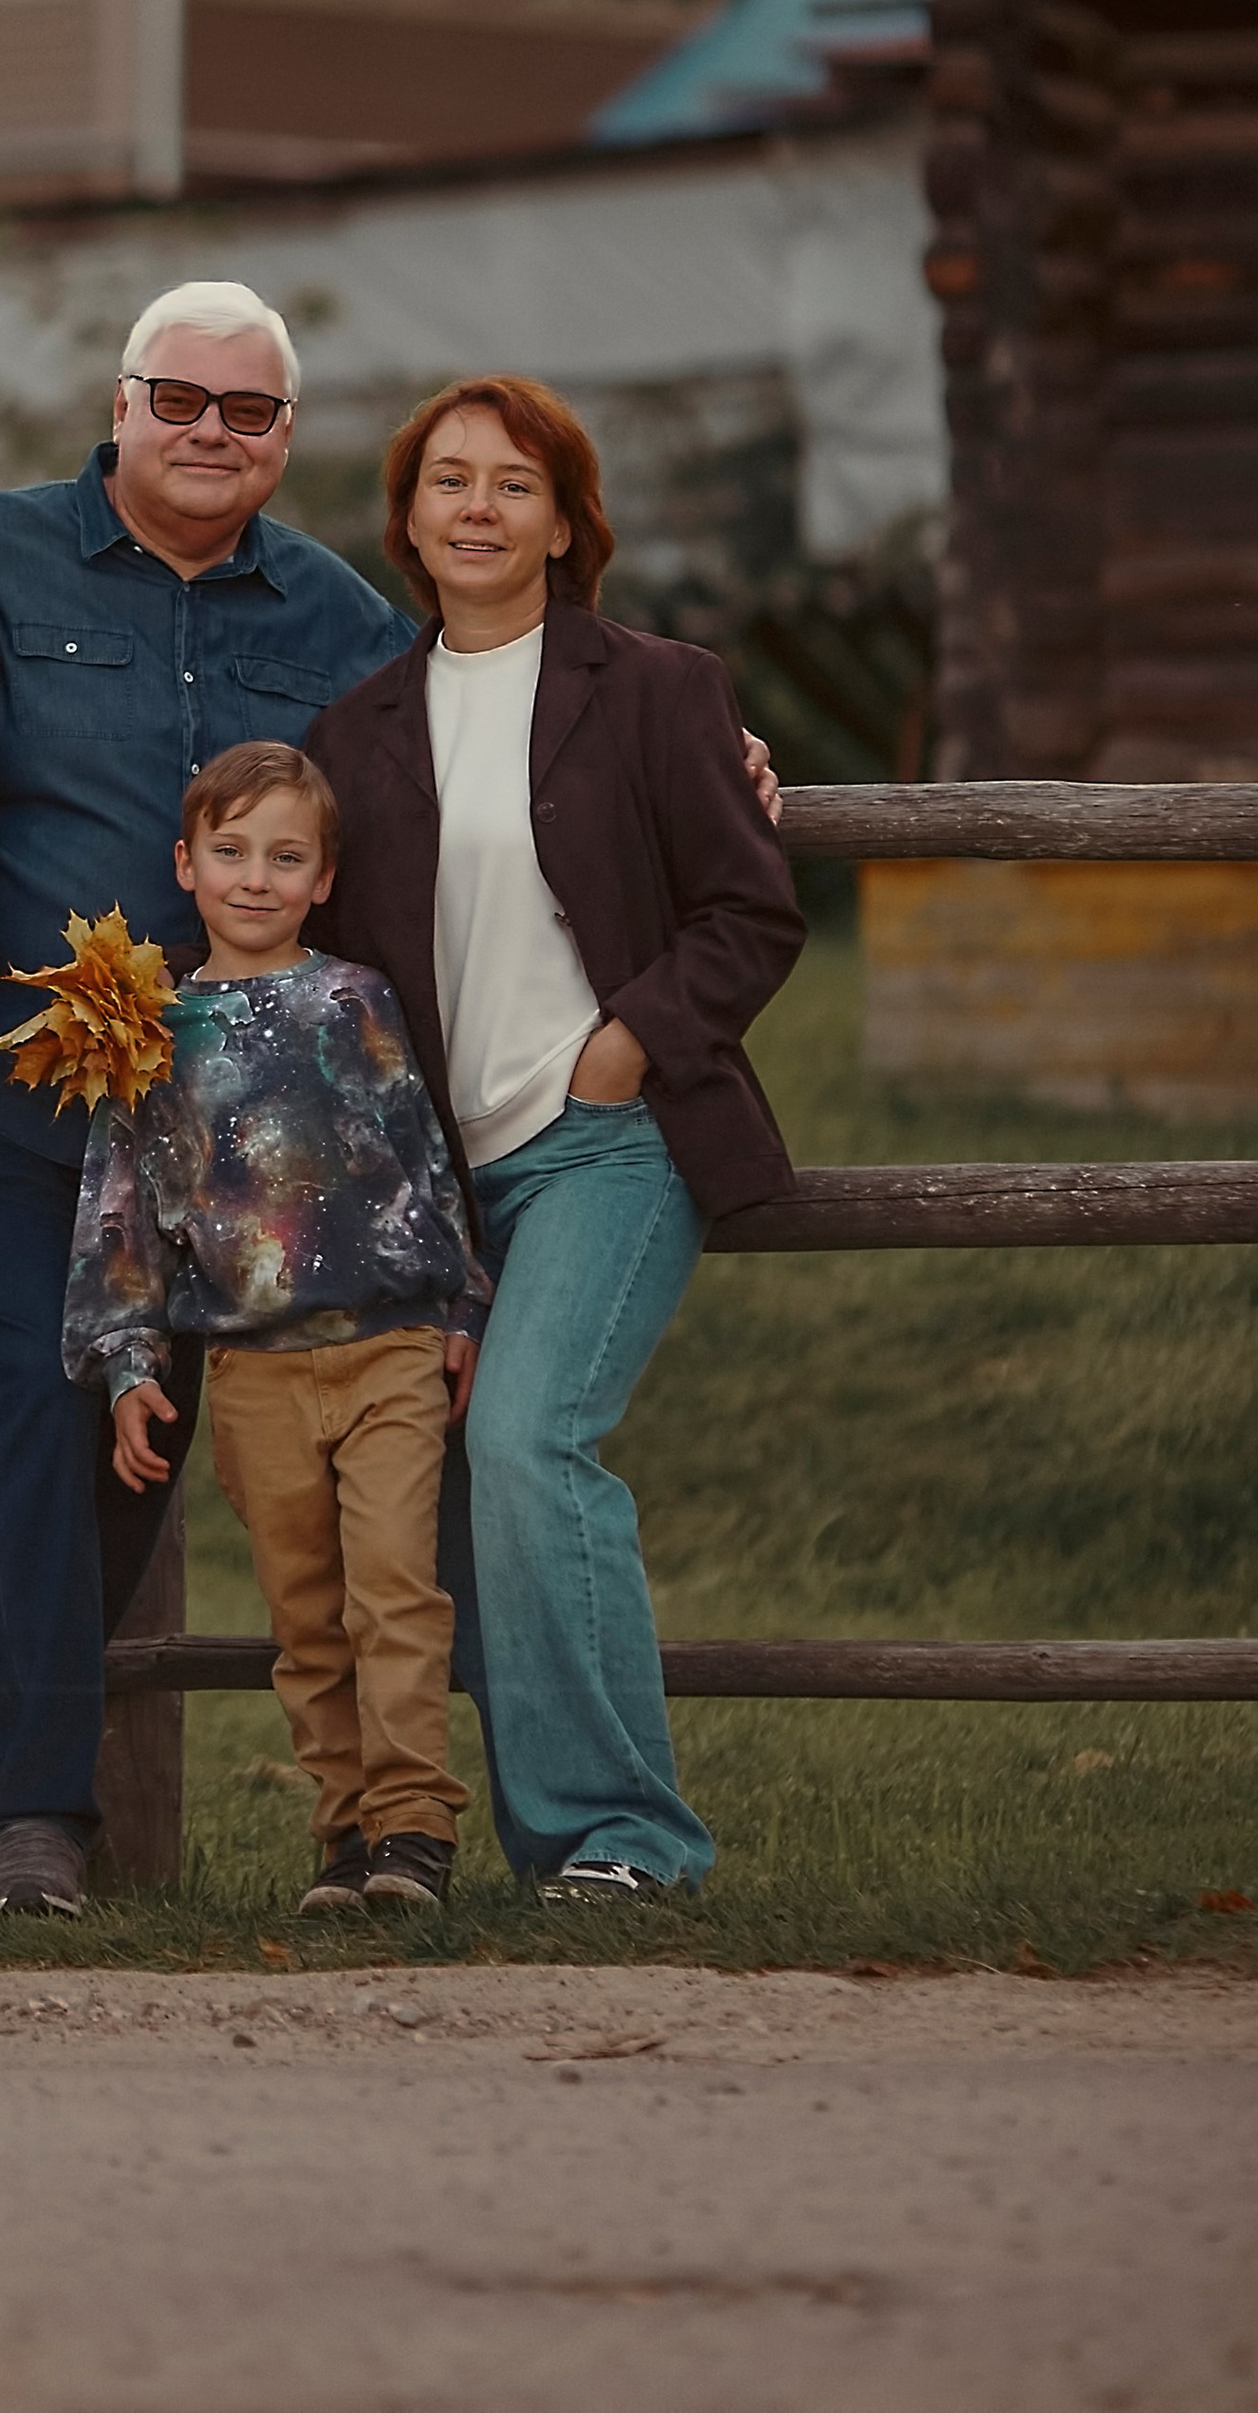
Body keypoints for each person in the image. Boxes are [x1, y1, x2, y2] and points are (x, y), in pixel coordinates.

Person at [0, 288, 783, 1919]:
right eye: (178, 398)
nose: (211, 430)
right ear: (120, 405)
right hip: (17, 1112)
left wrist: (721, 756)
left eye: (248, 410)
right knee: (23, 1444)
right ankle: (24, 1829)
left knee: (153, 1484)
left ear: (285, 437)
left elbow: (502, 697)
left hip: (248, 1140)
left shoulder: (338, 615)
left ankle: (355, 1827)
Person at [308, 375, 804, 1901]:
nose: (478, 507)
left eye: (514, 484)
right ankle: (551, 1853)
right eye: (448, 481)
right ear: (407, 521)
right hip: (442, 1179)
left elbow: (751, 914)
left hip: (609, 1140)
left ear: (568, 523)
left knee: (527, 1442)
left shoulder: (658, 689)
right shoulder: (355, 728)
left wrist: (625, 1042)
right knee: (459, 1492)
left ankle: (631, 1840)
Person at [64, 742, 492, 1915]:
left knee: (394, 1591)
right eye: (232, 851)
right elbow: (121, 1211)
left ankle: (414, 1833)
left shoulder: (355, 999)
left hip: (388, 1349)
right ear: (186, 864)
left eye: (286, 857)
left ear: (323, 877)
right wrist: (128, 1362)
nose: (256, 878)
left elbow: (422, 1153)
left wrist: (462, 1297)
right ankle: (345, 1841)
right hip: (251, 1368)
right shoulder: (149, 1029)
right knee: (306, 1619)